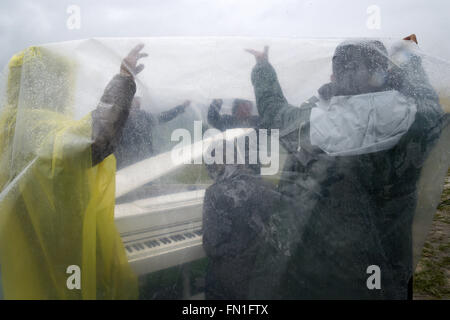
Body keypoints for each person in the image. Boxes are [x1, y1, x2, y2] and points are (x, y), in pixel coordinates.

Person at [245, 35, 444, 299]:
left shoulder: (313, 122)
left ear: (335, 76)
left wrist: (263, 67)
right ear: (383, 72)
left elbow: (274, 112)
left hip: (326, 269)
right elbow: (428, 100)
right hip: (387, 264)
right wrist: (409, 59)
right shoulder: (417, 116)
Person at [0, 44, 147, 299]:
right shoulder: (36, 127)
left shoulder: (7, 127)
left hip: (19, 249)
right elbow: (93, 141)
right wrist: (124, 80)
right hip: (58, 247)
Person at [202, 142, 278, 299]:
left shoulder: (214, 193)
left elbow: (212, 247)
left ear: (215, 165)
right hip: (263, 274)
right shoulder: (267, 185)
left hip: (231, 283)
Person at [114, 97, 190, 169]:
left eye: (137, 102)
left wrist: (182, 107)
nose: (137, 103)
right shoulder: (121, 120)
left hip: (143, 160)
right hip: (128, 162)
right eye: (134, 102)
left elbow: (164, 116)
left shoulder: (145, 117)